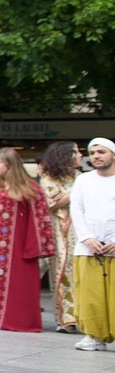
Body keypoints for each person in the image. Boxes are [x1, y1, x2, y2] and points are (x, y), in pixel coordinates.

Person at [0, 147, 54, 332]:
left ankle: (17, 320)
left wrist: (37, 244)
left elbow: (40, 215)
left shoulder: (30, 187)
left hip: (18, 242)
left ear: (10, 164)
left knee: (19, 282)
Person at [69, 137, 115, 353]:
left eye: (101, 152)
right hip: (88, 248)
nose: (96, 156)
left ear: (113, 155)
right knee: (90, 296)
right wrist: (87, 238)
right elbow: (76, 211)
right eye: (93, 152)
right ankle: (94, 336)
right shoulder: (83, 180)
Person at [38, 142, 81, 333]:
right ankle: (65, 318)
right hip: (59, 231)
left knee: (78, 272)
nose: (80, 155)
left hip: (79, 230)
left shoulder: (79, 176)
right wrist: (76, 193)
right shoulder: (48, 177)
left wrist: (68, 196)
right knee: (62, 270)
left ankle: (81, 315)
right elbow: (51, 203)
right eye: (75, 152)